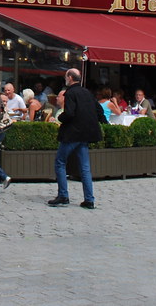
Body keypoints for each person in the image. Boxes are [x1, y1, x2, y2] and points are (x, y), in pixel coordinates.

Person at [49, 68, 101, 209]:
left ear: (70, 78)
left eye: (66, 76)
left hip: (72, 134)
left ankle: (63, 195)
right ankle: (89, 199)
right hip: (85, 134)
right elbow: (99, 110)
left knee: (60, 162)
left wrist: (60, 117)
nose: (65, 79)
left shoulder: (70, 93)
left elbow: (70, 113)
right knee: (85, 168)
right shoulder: (87, 92)